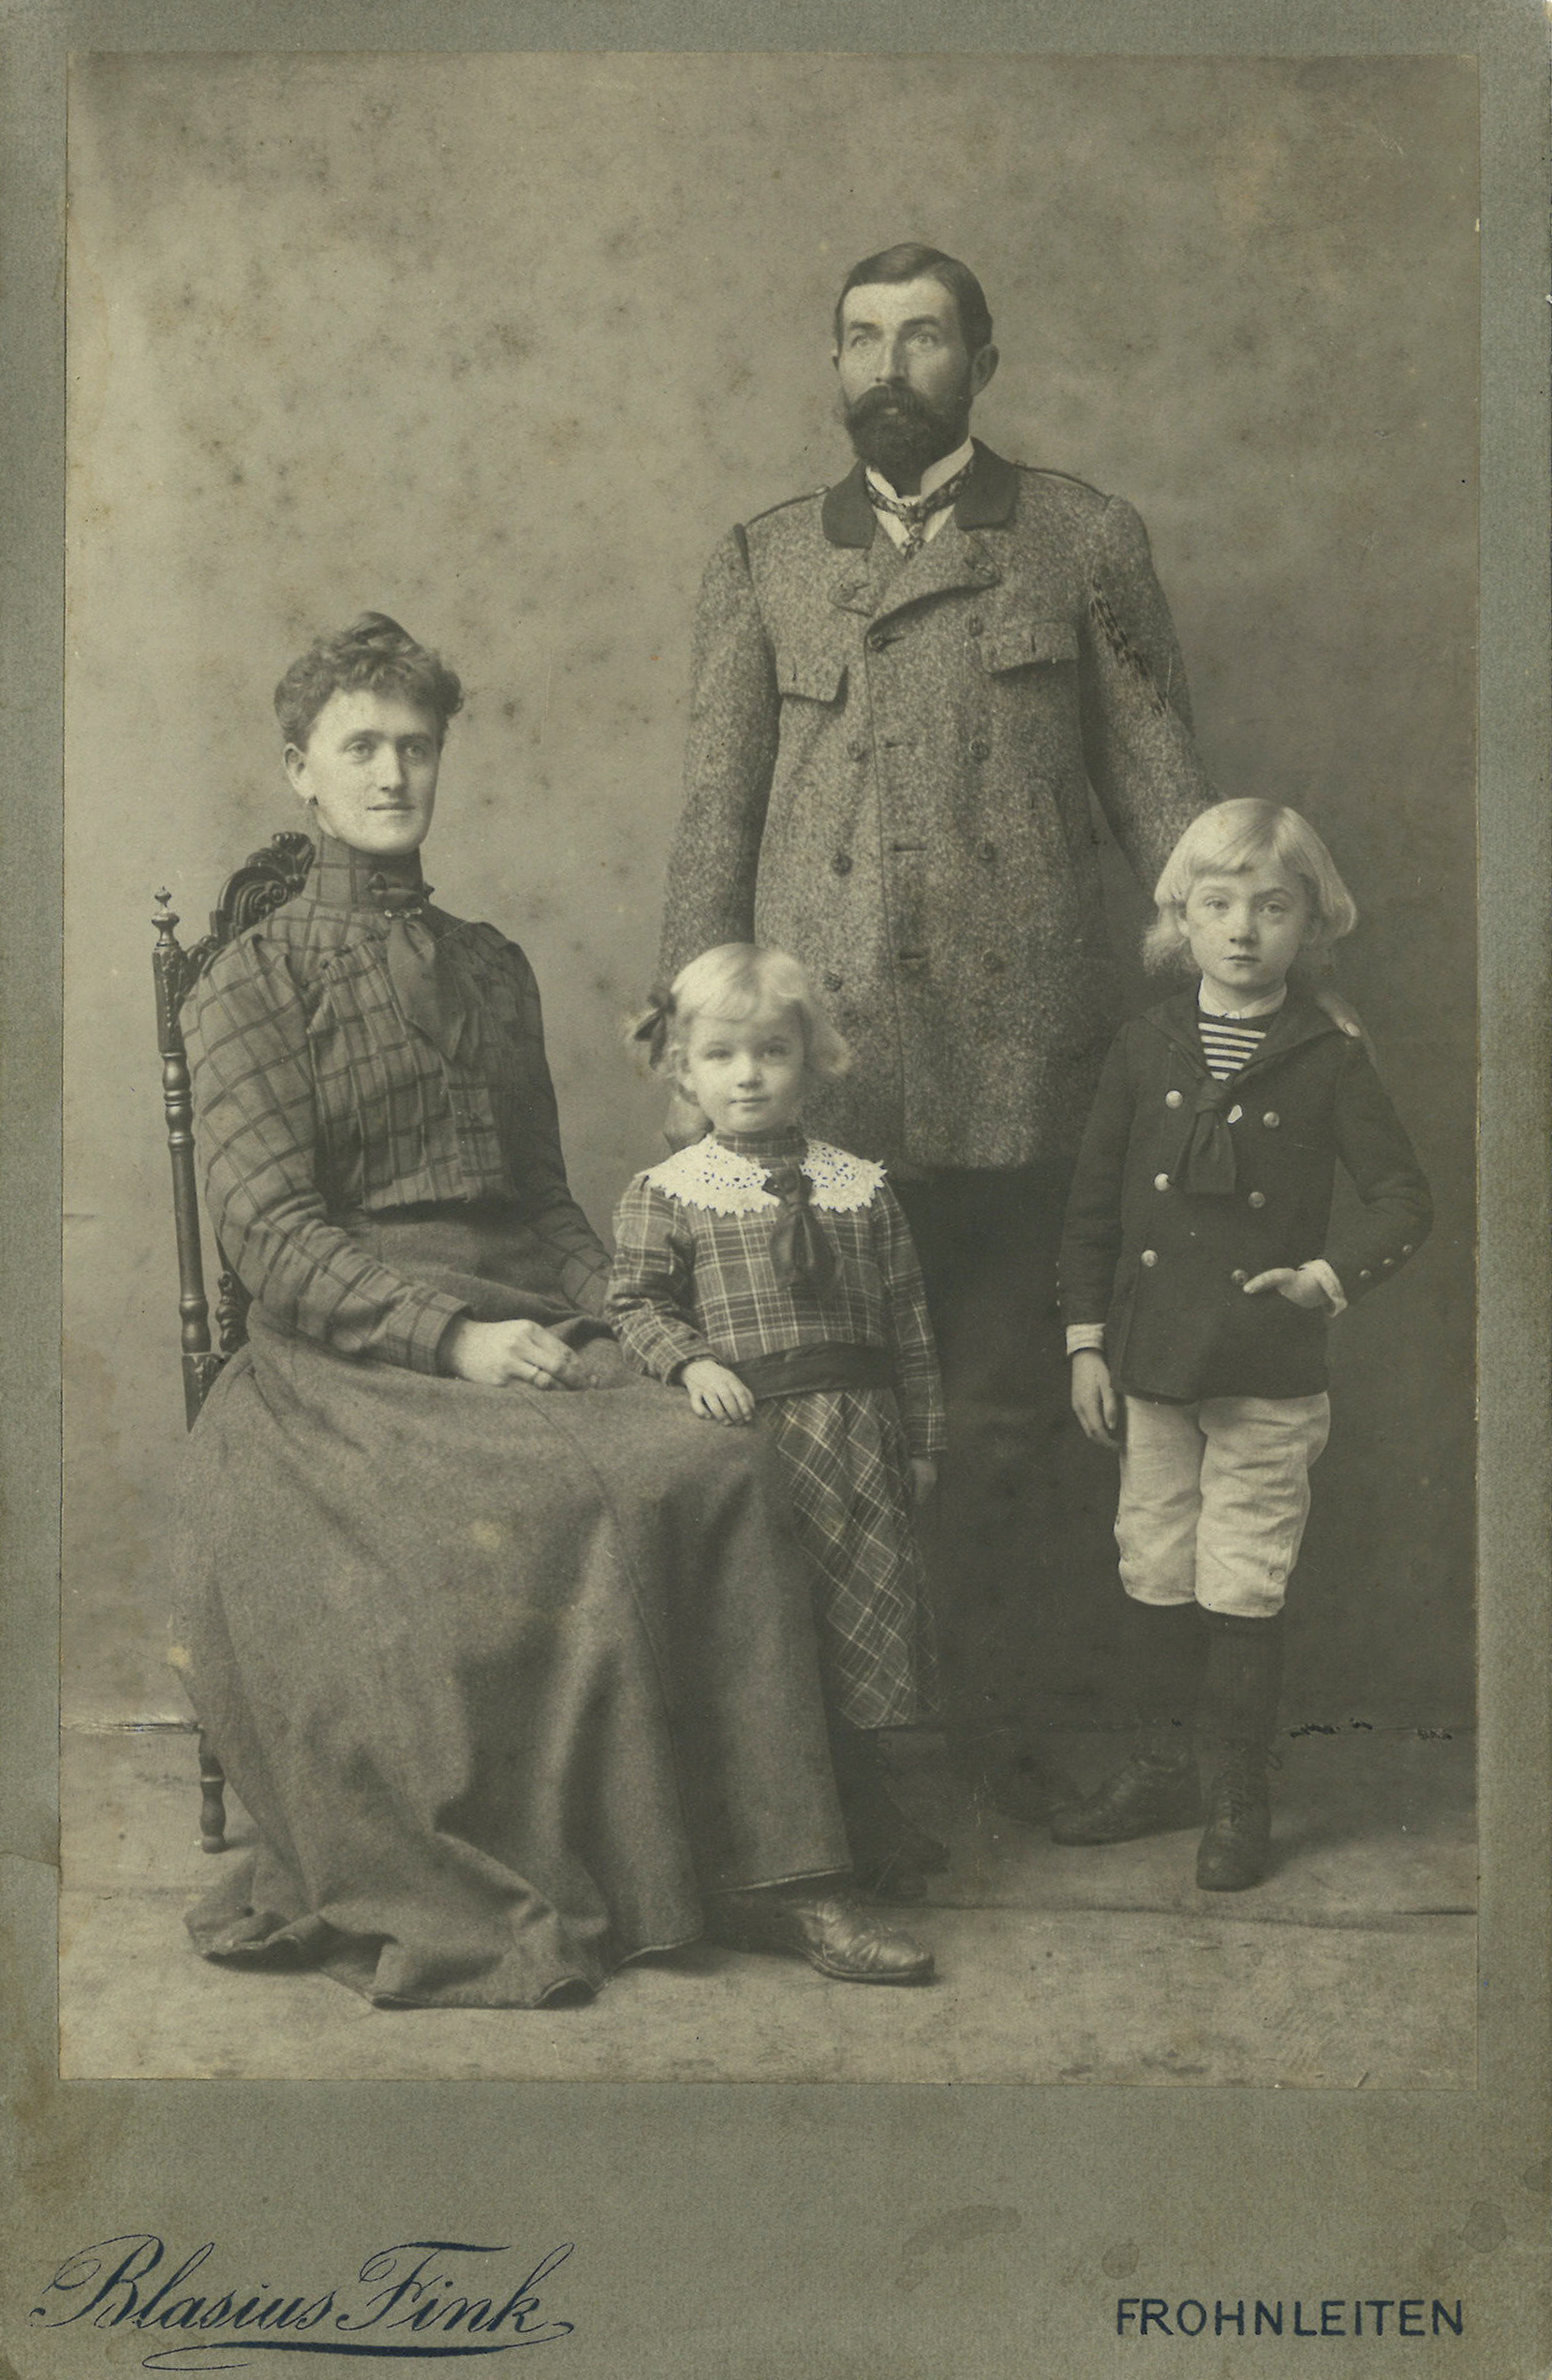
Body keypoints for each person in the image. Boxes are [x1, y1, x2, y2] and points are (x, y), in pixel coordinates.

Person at [657, 240, 1362, 1812]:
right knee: (822, 1418)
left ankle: (1004, 1749)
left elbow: (1166, 803)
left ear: (981, 361)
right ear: (833, 367)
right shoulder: (761, 560)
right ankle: (840, 1773)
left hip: (1027, 1072)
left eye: (923, 338)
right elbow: (716, 817)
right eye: (861, 339)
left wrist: (1239, 1013)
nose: (888, 367)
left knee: (1009, 1423)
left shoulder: (1080, 539)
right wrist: (692, 1035)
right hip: (820, 1082)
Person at [171, 613, 934, 2005]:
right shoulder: (250, 982)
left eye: (416, 746)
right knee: (563, 1504)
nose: (393, 774)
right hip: (340, 1364)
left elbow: (545, 1207)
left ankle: (780, 1872)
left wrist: (645, 1328)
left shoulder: (489, 966)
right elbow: (272, 1236)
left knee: (717, 1454)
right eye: (361, 747)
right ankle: (636, 1871)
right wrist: (452, 1339)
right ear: (300, 769)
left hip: (526, 1308)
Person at [1051, 800, 1432, 1888]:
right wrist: (1085, 1343)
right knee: (1155, 1563)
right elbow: (1090, 1209)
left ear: (1311, 923)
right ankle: (1162, 1768)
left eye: (1272, 908)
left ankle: (1234, 1795)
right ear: (1181, 918)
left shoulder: (1327, 1054)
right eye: (1217, 905)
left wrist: (1325, 1279)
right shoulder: (1144, 1044)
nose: (1242, 930)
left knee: (1243, 1580)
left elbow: (1402, 1199)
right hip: (1150, 1361)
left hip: (1265, 1365)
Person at [608, 945, 946, 1907]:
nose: (747, 1076)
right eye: (721, 1056)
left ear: (811, 1059)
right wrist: (693, 1361)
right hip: (755, 1447)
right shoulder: (669, 1191)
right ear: (683, 1068)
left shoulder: (861, 1187)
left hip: (861, 1445)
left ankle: (868, 1810)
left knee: (863, 1626)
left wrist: (925, 1442)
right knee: (778, 1632)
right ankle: (795, 1834)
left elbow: (910, 1325)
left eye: (771, 1051)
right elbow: (632, 1303)